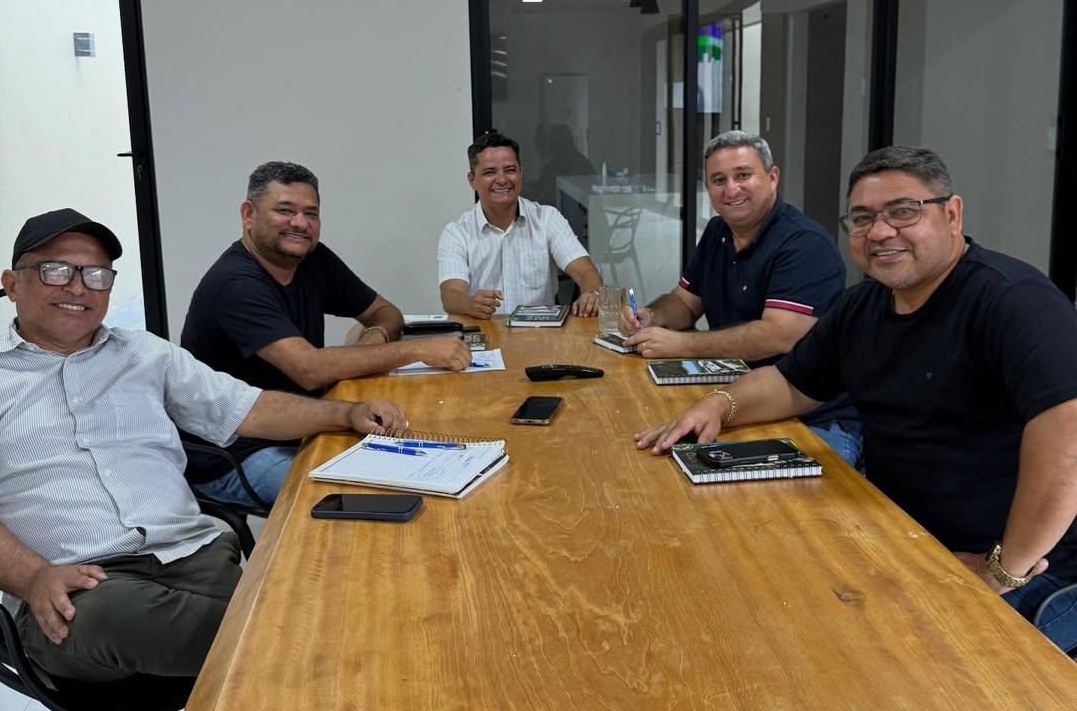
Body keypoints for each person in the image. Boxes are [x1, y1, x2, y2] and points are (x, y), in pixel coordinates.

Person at [636, 146, 1077, 652]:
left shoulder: (1013, 301)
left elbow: (1068, 437)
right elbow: (791, 382)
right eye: (863, 218)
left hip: (1033, 570)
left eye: (904, 212)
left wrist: (1004, 569)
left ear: (952, 214)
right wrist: (717, 405)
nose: (881, 232)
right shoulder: (862, 306)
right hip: (906, 540)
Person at [0, 208, 407, 682]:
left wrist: (345, 414)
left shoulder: (145, 354)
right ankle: (337, 654)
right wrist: (30, 577)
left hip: (193, 556)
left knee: (323, 582)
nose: (77, 287)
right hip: (78, 585)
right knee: (294, 632)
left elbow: (247, 408)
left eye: (95, 275)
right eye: (55, 270)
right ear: (12, 284)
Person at [181, 161, 468, 510]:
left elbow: (386, 312)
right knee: (371, 497)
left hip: (308, 421)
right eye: (285, 211)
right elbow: (310, 369)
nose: (300, 223)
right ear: (248, 214)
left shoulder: (312, 259)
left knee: (430, 456)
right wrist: (418, 350)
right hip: (238, 453)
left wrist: (372, 342)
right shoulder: (235, 283)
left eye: (310, 213)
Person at [622, 131, 860, 465]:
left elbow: (780, 335)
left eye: (743, 175)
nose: (731, 189)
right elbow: (684, 303)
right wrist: (652, 316)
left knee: (783, 513)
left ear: (773, 177)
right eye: (719, 180)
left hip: (813, 417)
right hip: (733, 396)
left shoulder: (804, 244)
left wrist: (683, 346)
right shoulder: (718, 232)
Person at [438, 129, 604, 319]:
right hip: (484, 332)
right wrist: (469, 303)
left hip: (540, 333)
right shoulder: (456, 232)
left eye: (510, 170)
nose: (502, 180)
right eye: (490, 172)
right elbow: (450, 296)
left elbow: (585, 271)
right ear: (472, 180)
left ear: (521, 173)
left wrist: (593, 294)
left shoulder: (547, 219)